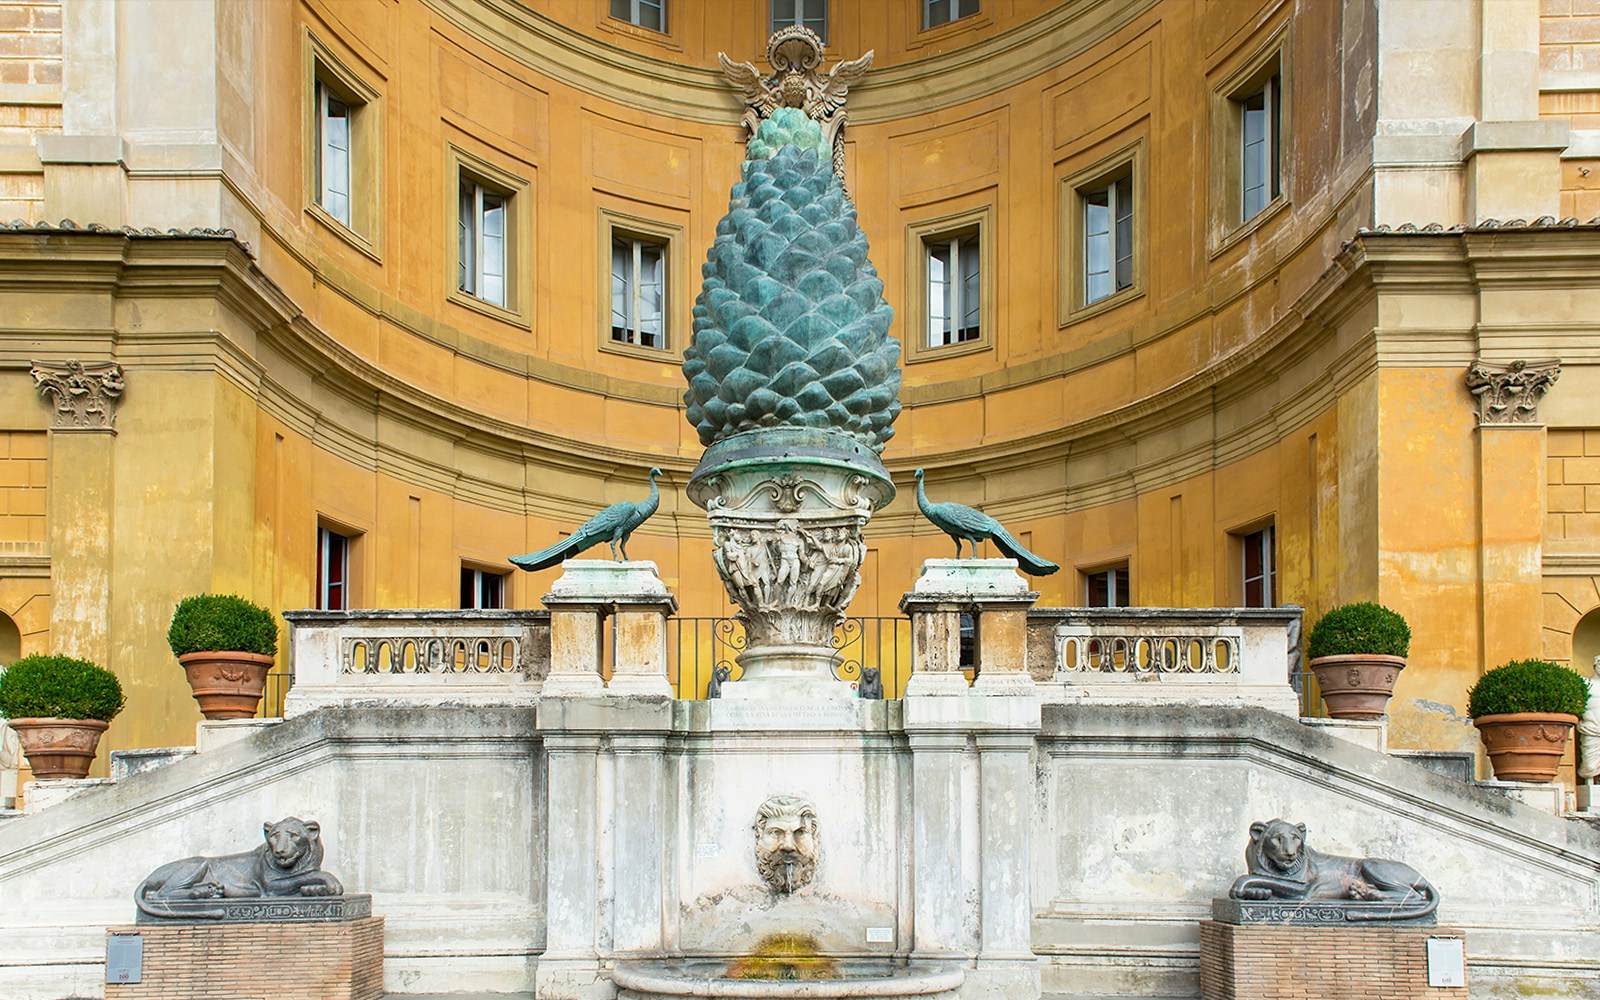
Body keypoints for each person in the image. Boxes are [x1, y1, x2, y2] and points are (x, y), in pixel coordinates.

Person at [1578, 654, 1600, 785]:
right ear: (1595, 665)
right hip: (1591, 729)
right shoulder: (1586, 684)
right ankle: (1588, 781)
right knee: (1590, 765)